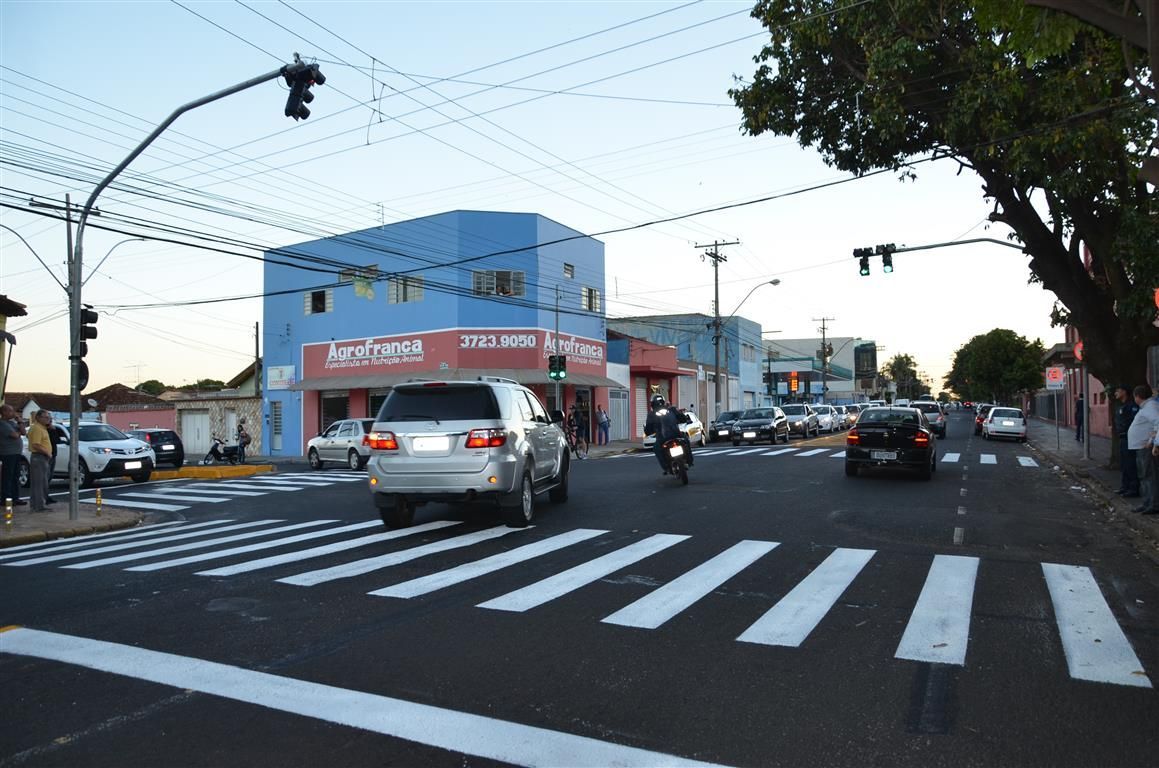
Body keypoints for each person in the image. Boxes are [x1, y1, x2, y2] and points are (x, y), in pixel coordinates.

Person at [1127, 385, 1159, 514]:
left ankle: (1153, 504)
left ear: (1137, 396)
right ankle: (1147, 502)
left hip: (1146, 448)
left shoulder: (1150, 407)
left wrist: (1153, 442)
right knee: (1144, 476)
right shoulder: (1147, 407)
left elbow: (1158, 423)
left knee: (1149, 476)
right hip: (1141, 447)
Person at [643, 394, 691, 474]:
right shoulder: (671, 409)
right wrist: (685, 419)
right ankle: (688, 461)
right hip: (675, 434)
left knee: (657, 448)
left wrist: (648, 432)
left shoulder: (652, 414)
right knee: (685, 441)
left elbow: (648, 428)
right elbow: (682, 418)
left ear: (652, 404)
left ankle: (667, 467)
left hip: (664, 437)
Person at [1114, 385, 1140, 497]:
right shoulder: (1121, 406)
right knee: (1124, 464)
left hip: (1130, 438)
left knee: (1130, 464)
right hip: (1123, 438)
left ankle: (1133, 489)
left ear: (1124, 392)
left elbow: (1133, 423)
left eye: (1118, 390)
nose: (1115, 392)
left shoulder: (1132, 406)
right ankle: (1125, 486)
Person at [26, 410, 53, 512]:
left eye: (48, 418)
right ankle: (39, 506)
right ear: (38, 418)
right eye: (45, 418)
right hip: (39, 457)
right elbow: (36, 444)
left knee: (42, 481)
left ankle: (37, 504)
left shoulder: (41, 428)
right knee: (39, 482)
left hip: (41, 457)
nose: (48, 419)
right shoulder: (37, 428)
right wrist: (47, 453)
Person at [0, 403, 26, 506]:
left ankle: (15, 498)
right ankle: (6, 498)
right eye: (10, 411)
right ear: (4, 412)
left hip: (16, 453)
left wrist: (20, 421)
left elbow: (23, 432)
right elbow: (15, 435)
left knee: (16, 476)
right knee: (8, 477)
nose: (13, 413)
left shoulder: (13, 423)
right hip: (8, 453)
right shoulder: (2, 424)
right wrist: (18, 432)